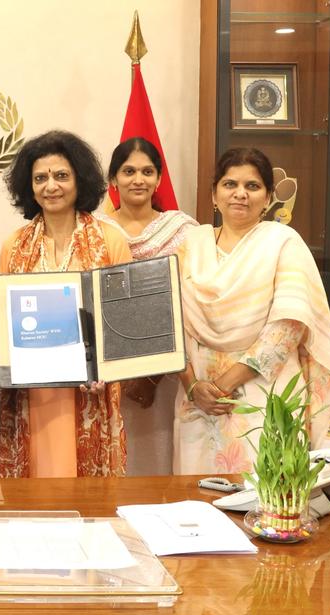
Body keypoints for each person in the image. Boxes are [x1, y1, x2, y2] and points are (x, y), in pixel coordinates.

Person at [174, 148, 330, 473]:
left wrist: (222, 386)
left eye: (252, 186)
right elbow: (170, 323)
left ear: (267, 198)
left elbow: (288, 326)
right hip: (197, 400)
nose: (240, 194)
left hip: (261, 395)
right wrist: (193, 386)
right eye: (230, 184)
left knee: (260, 502)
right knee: (193, 504)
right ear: (214, 194)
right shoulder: (190, 244)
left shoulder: (282, 242)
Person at [0, 130, 133, 478]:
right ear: (29, 187)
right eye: (40, 178)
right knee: (35, 494)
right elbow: (7, 330)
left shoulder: (110, 240)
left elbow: (123, 320)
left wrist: (103, 372)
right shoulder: (14, 245)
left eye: (61, 175)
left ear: (80, 180)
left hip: (89, 392)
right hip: (31, 395)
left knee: (86, 502)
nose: (51, 186)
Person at [94, 137, 197, 475]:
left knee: (158, 460)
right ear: (113, 179)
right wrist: (122, 374)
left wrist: (151, 377)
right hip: (108, 377)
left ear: (158, 179)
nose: (138, 179)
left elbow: (189, 305)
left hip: (169, 372)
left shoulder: (183, 231)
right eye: (128, 171)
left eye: (147, 171)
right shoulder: (94, 232)